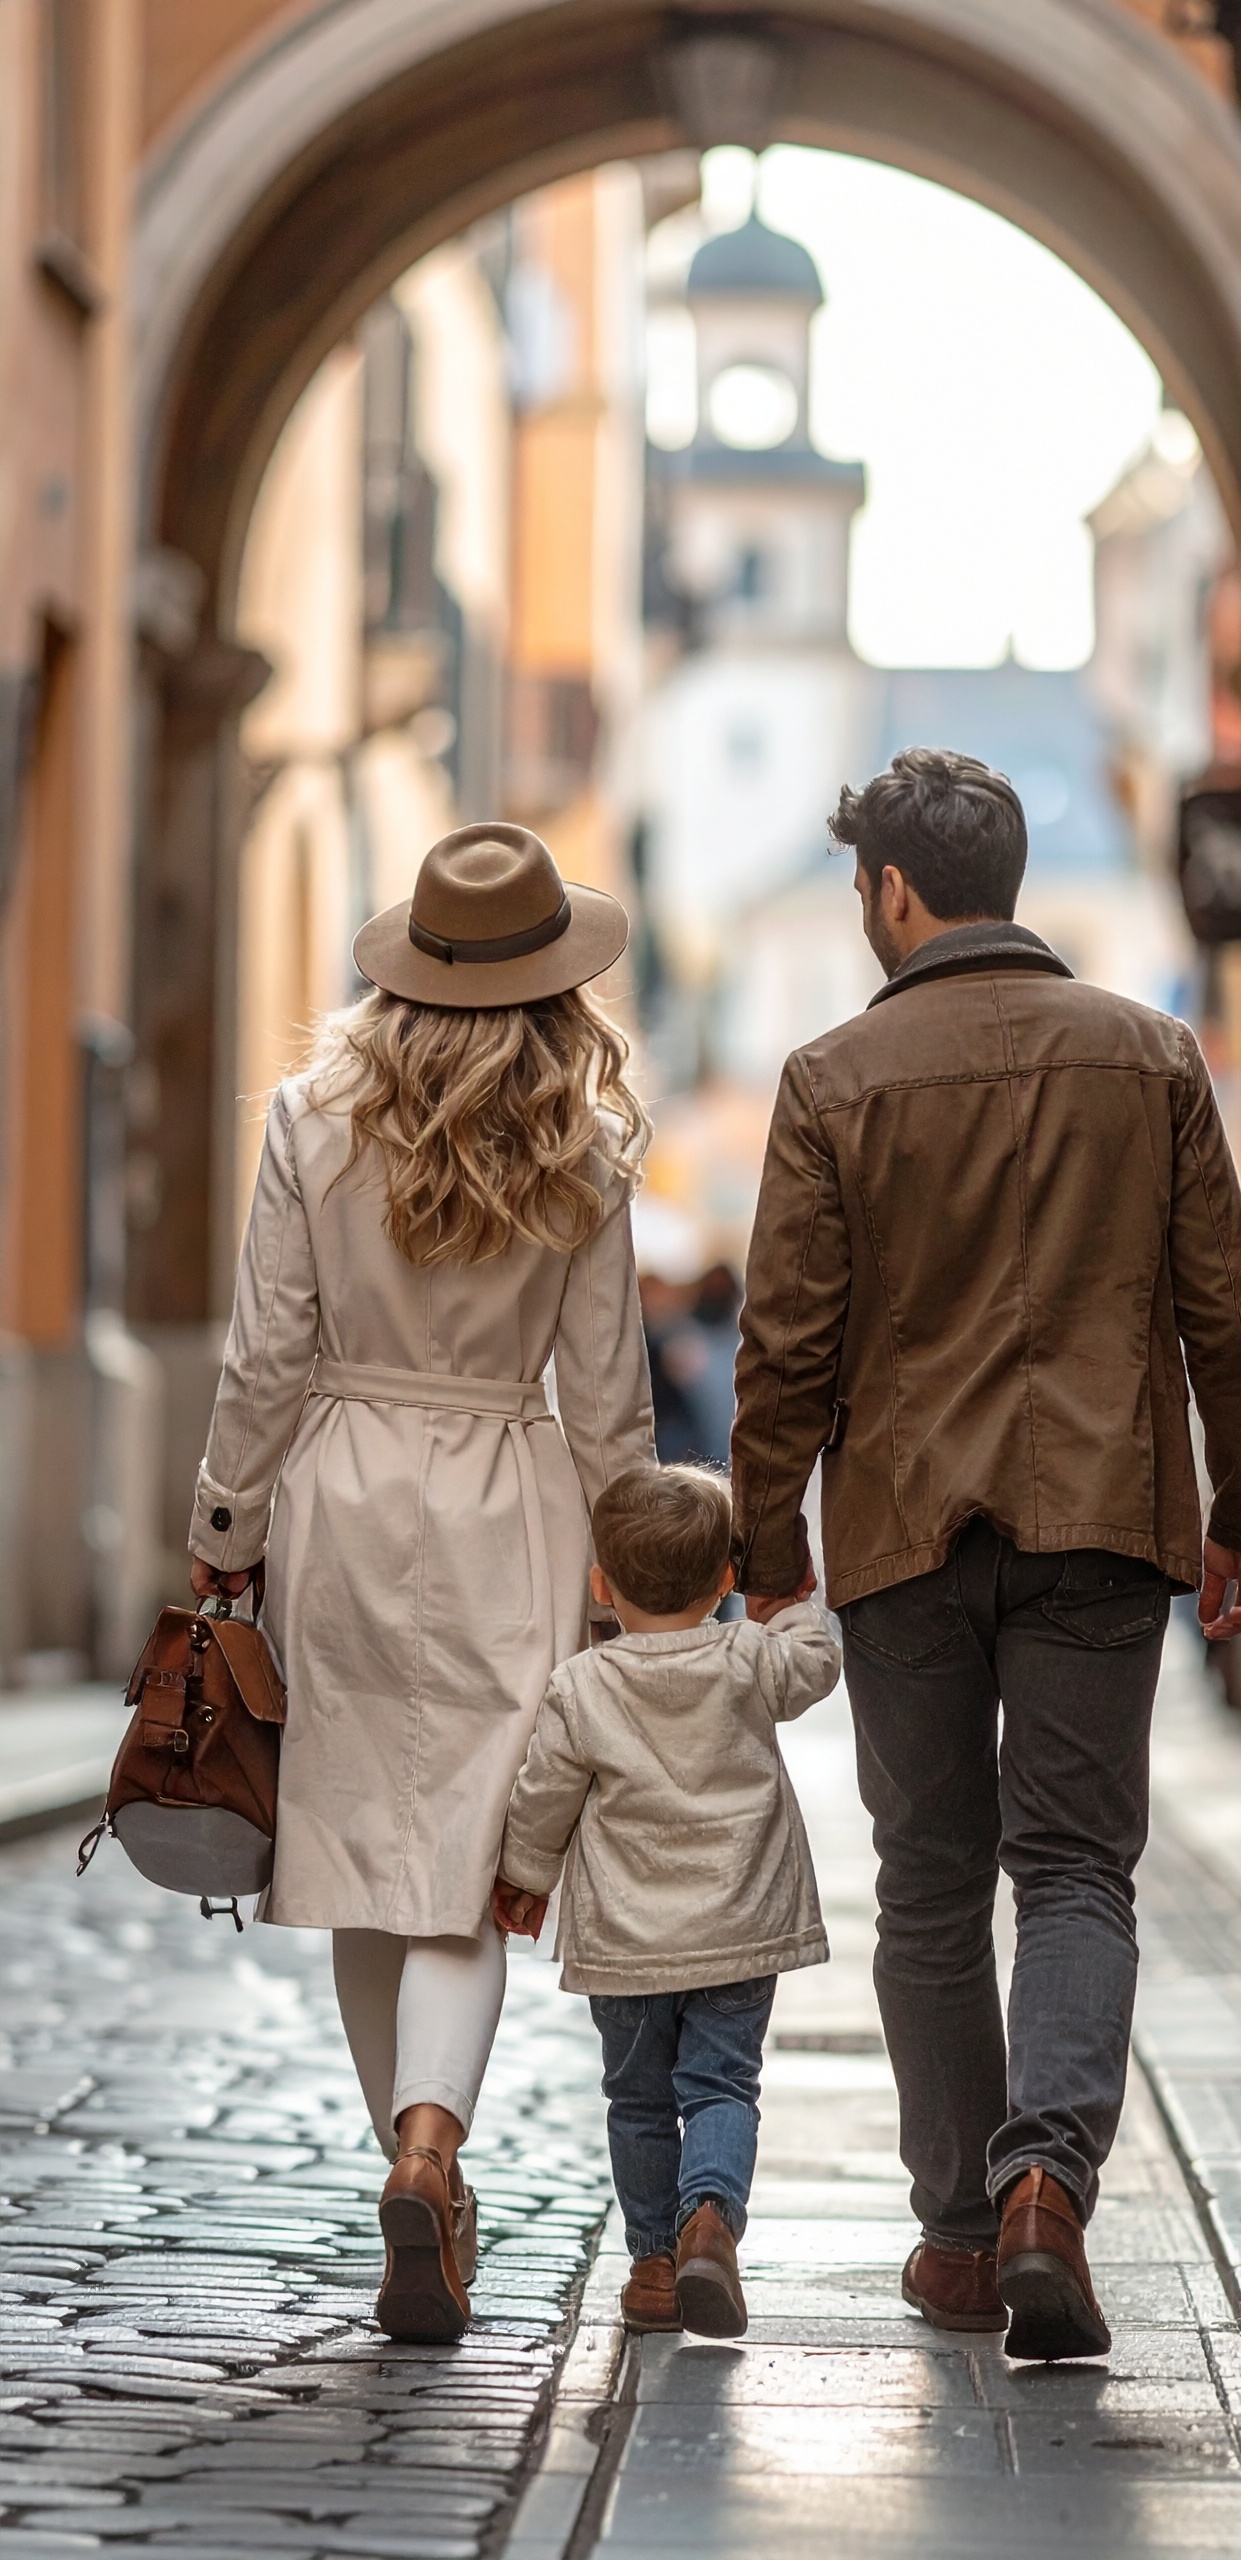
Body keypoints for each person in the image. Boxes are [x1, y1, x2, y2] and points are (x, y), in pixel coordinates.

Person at [730, 747, 1241, 2362]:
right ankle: (1051, 2181)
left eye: (859, 888)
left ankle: (967, 2239)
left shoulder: (832, 1080)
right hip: (1103, 1516)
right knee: (1075, 1868)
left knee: (926, 1883)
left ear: (896, 891)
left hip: (905, 1531)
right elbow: (1229, 1313)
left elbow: (784, 1348)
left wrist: (768, 1543)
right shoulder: (1151, 1056)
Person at [187, 823, 655, 2345]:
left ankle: (407, 2153)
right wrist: (627, 1575)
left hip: (335, 1496)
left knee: (356, 1864)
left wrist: (221, 1528)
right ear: (551, 983)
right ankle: (432, 2148)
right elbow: (608, 1396)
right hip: (504, 1507)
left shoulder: (308, 1114)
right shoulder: (580, 1147)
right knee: (465, 1859)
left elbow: (264, 1354)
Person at [492, 1463, 839, 2337]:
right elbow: (819, 1660)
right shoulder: (749, 1658)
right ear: (725, 1580)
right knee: (722, 2086)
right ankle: (710, 2220)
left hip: (628, 1941)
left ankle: (652, 2266)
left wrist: (525, 1880)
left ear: (602, 1586)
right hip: (739, 1924)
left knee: (638, 2099)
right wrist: (789, 1596)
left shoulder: (582, 1685)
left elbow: (543, 1796)